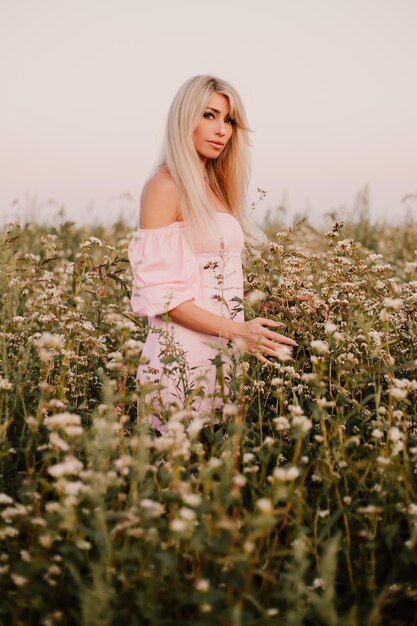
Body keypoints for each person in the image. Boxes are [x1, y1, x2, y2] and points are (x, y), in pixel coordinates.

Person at [128, 75, 296, 432]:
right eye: (209, 115)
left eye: (229, 120)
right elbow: (165, 298)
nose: (222, 130)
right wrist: (238, 330)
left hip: (223, 356)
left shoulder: (214, 186)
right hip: (180, 363)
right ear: (184, 118)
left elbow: (215, 277)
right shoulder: (165, 186)